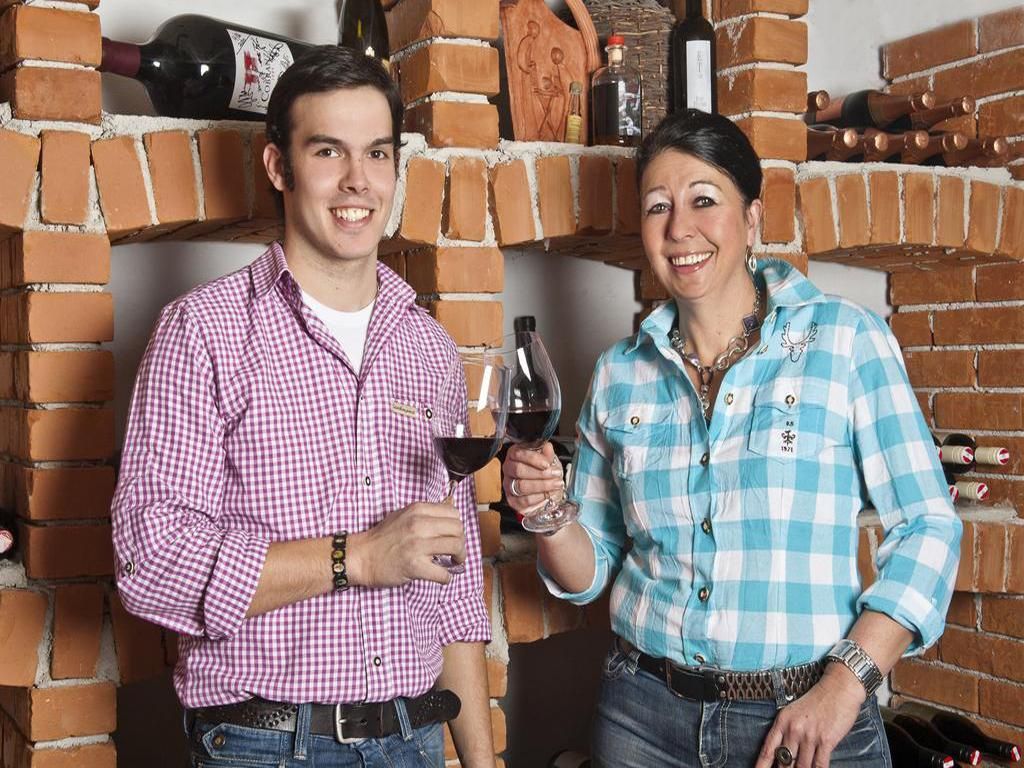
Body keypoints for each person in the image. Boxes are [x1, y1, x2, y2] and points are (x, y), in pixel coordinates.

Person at [502, 109, 962, 768]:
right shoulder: (620, 373)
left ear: (751, 218)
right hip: (641, 720)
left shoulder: (845, 339)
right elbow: (592, 567)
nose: (679, 228)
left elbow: (927, 526)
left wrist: (844, 687)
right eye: (658, 206)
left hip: (807, 723)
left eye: (703, 200)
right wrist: (547, 512)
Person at [111, 45, 496, 768]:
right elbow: (150, 565)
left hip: (416, 740)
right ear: (278, 166)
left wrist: (483, 761)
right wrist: (358, 557)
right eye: (328, 151)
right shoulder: (202, 332)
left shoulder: (430, 349)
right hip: (266, 746)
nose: (358, 180)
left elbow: (457, 583)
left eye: (377, 153)